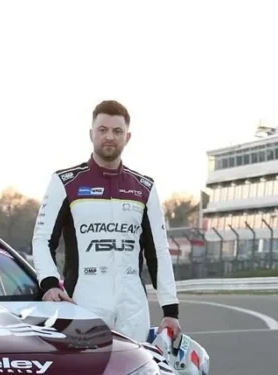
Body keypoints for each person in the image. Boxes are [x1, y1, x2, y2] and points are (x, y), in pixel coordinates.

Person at [31, 100, 182, 344]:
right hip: (83, 300)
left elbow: (159, 252)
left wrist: (170, 310)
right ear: (91, 134)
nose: (109, 137)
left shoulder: (145, 188)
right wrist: (49, 284)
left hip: (133, 304)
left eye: (117, 131)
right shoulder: (65, 182)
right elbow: (42, 240)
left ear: (128, 137)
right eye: (103, 130)